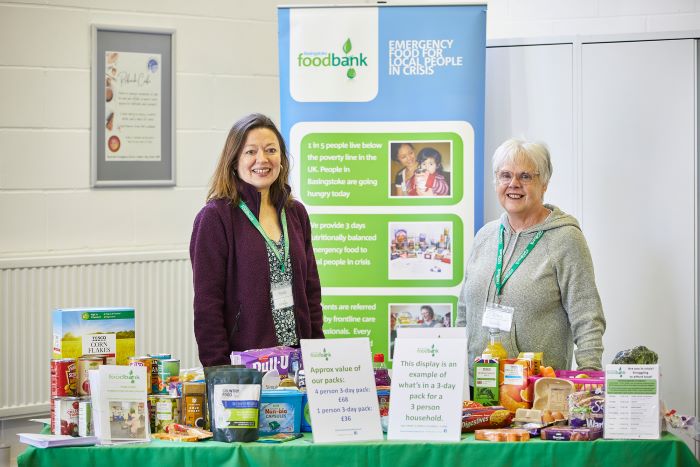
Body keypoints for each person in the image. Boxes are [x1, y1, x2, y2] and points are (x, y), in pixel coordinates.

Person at [457, 138, 605, 383]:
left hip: (534, 394)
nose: (513, 184)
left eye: (525, 176)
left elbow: (587, 315)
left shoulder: (565, 238)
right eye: (505, 175)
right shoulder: (485, 236)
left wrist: (588, 380)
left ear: (544, 183)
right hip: (477, 388)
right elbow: (464, 312)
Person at [190, 113, 324, 367]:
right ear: (234, 161)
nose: (262, 159)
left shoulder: (295, 214)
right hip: (246, 365)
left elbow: (311, 292)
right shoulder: (215, 218)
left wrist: (318, 357)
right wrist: (219, 371)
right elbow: (208, 305)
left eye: (271, 150)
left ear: (282, 160)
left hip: (299, 360)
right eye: (251, 151)